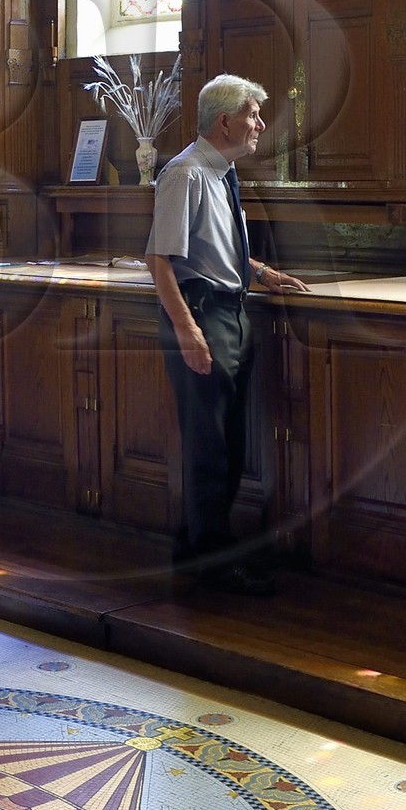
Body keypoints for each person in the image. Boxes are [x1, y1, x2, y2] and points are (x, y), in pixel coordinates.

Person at [146, 74, 307, 595]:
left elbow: (214, 245)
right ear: (225, 121)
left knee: (230, 443)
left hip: (233, 312)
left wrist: (261, 273)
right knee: (210, 445)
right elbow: (160, 260)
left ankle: (197, 548)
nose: (260, 125)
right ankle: (210, 563)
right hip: (203, 315)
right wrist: (188, 331)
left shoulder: (221, 174)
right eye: (253, 115)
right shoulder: (186, 174)